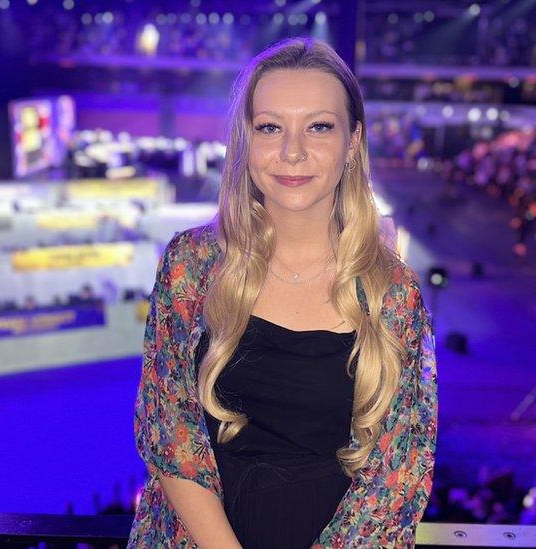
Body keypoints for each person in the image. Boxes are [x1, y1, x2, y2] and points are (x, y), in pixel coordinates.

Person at [127, 37, 438, 548]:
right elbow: (169, 431)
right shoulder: (190, 265)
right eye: (270, 127)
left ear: (353, 142)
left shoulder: (392, 292)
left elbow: (399, 471)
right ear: (245, 139)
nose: (292, 152)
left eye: (319, 127)